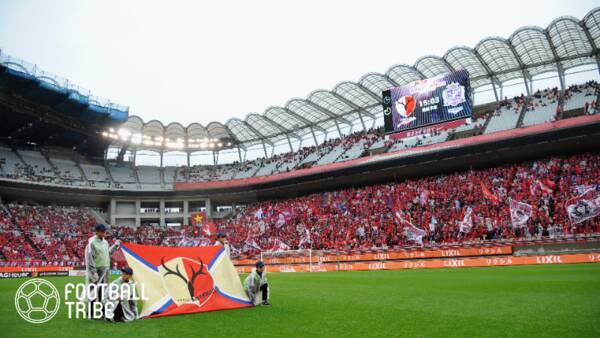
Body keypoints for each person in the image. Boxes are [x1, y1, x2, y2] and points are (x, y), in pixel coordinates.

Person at [85, 224, 120, 316]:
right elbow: (90, 259)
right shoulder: (92, 243)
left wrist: (115, 246)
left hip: (105, 270)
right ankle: (91, 313)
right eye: (102, 231)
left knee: (103, 292)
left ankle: (102, 312)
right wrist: (93, 272)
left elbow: (107, 253)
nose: (104, 233)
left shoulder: (105, 242)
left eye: (105, 231)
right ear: (96, 232)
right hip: (96, 271)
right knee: (93, 292)